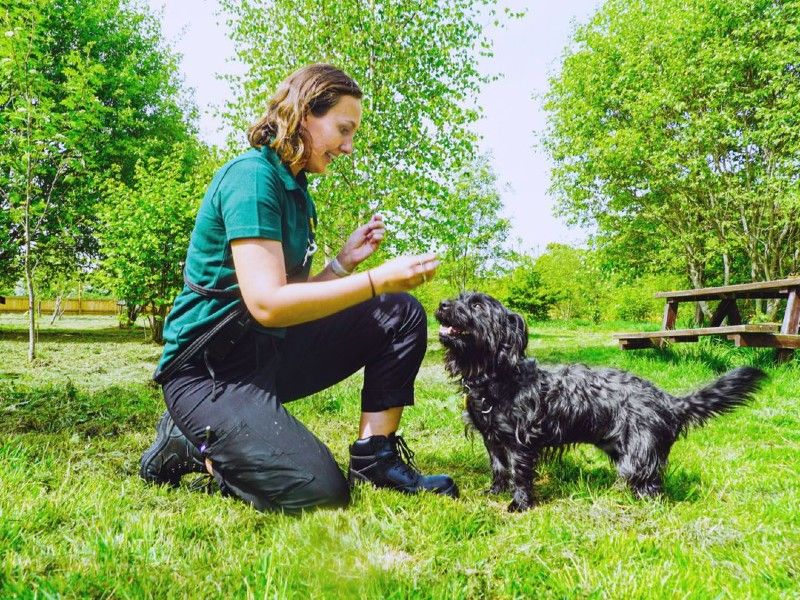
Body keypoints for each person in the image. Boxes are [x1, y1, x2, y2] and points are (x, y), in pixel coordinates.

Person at [139, 63, 458, 513]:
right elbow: (268, 304)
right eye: (343, 130)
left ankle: (375, 460)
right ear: (304, 114)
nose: (348, 147)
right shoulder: (252, 178)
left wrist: (342, 264)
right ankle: (191, 444)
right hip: (209, 373)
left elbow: (292, 298)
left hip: (268, 350)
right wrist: (375, 279)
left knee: (399, 312)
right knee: (318, 492)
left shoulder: (297, 190)